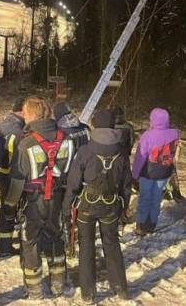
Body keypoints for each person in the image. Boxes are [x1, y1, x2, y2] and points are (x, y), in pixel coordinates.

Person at [63, 109, 131, 303]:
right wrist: (124, 207)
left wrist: (67, 207)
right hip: (110, 205)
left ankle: (88, 292)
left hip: (86, 206)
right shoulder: (122, 151)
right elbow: (126, 184)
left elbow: (73, 182)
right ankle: (121, 288)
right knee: (112, 243)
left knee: (86, 246)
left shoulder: (86, 150)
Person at [11, 97, 75, 299]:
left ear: (31, 115)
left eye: (24, 112)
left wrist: (9, 206)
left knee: (30, 241)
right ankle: (58, 283)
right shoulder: (66, 138)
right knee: (56, 237)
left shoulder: (26, 142)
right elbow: (70, 171)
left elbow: (17, 177)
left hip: (33, 199)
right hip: (57, 197)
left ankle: (34, 288)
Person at [132, 108, 179, 236]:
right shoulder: (174, 134)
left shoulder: (148, 136)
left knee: (145, 198)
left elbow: (140, 158)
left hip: (148, 172)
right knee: (156, 198)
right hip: (164, 172)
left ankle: (141, 225)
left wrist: (135, 174)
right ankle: (152, 224)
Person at [0, 97, 26, 258]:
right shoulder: (18, 130)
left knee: (6, 208)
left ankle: (4, 245)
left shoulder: (4, 124)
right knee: (12, 208)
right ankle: (7, 246)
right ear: (22, 111)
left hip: (1, 173)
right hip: (12, 176)